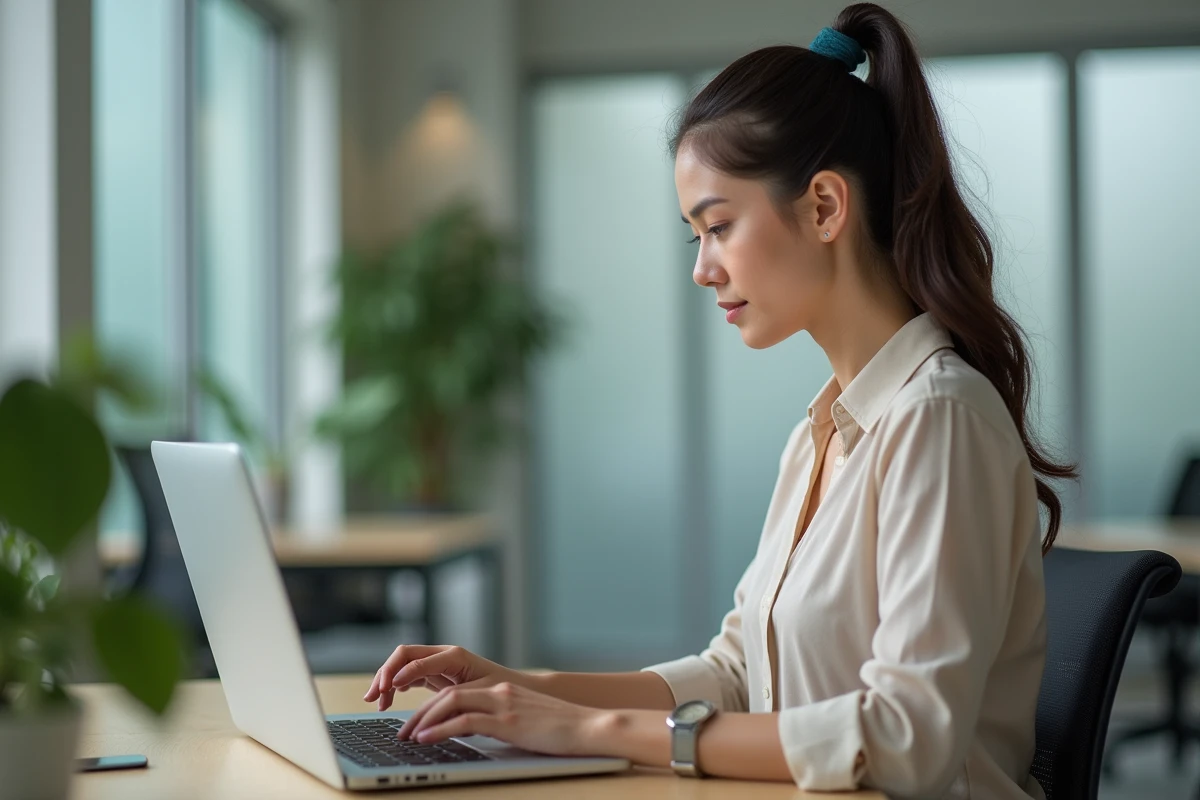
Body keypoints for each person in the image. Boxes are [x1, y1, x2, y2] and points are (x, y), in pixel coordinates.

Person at [362, 4, 1075, 797]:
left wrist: (592, 732)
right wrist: (523, 690)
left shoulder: (938, 419)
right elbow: (734, 673)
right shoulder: (821, 434)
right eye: (694, 235)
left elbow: (906, 740)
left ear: (826, 207)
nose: (703, 269)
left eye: (719, 226)